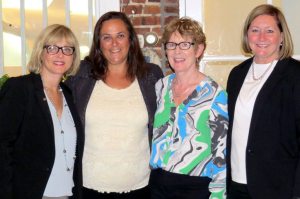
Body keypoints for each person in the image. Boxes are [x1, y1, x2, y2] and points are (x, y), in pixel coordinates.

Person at [66, 11, 164, 199]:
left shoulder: (151, 76)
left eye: (120, 36)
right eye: (106, 37)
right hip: (88, 186)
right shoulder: (81, 75)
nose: (114, 44)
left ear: (131, 40)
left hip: (140, 186)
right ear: (98, 43)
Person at [0, 24, 84, 199]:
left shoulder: (69, 95)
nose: (60, 54)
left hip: (67, 194)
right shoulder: (20, 89)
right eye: (53, 47)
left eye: (67, 49)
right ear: (41, 51)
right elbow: (2, 147)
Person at [226, 4, 300, 199]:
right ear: (247, 35)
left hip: (277, 187)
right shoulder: (237, 74)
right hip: (236, 184)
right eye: (255, 30)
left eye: (269, 31)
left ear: (282, 37)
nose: (261, 38)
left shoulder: (295, 75)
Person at [149, 17, 228, 199]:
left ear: (198, 50)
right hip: (158, 183)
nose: (177, 51)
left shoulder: (215, 94)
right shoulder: (161, 86)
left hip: (195, 187)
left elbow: (222, 153)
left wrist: (218, 195)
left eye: (185, 44)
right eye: (171, 45)